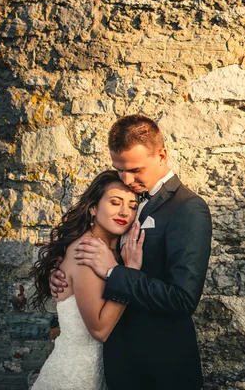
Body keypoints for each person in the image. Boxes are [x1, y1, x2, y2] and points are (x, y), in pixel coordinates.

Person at [49, 114, 213, 389]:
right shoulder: (126, 200)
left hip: (160, 367)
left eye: (135, 170)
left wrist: (115, 272)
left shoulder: (188, 208)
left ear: (161, 155)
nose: (126, 179)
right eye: (119, 169)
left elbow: (183, 299)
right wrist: (63, 274)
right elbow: (95, 246)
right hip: (117, 363)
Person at [29, 170, 144, 389]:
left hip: (103, 373)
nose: (124, 212)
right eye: (115, 202)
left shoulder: (117, 251)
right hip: (75, 376)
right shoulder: (87, 251)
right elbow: (99, 330)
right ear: (93, 208)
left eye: (132, 206)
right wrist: (130, 273)